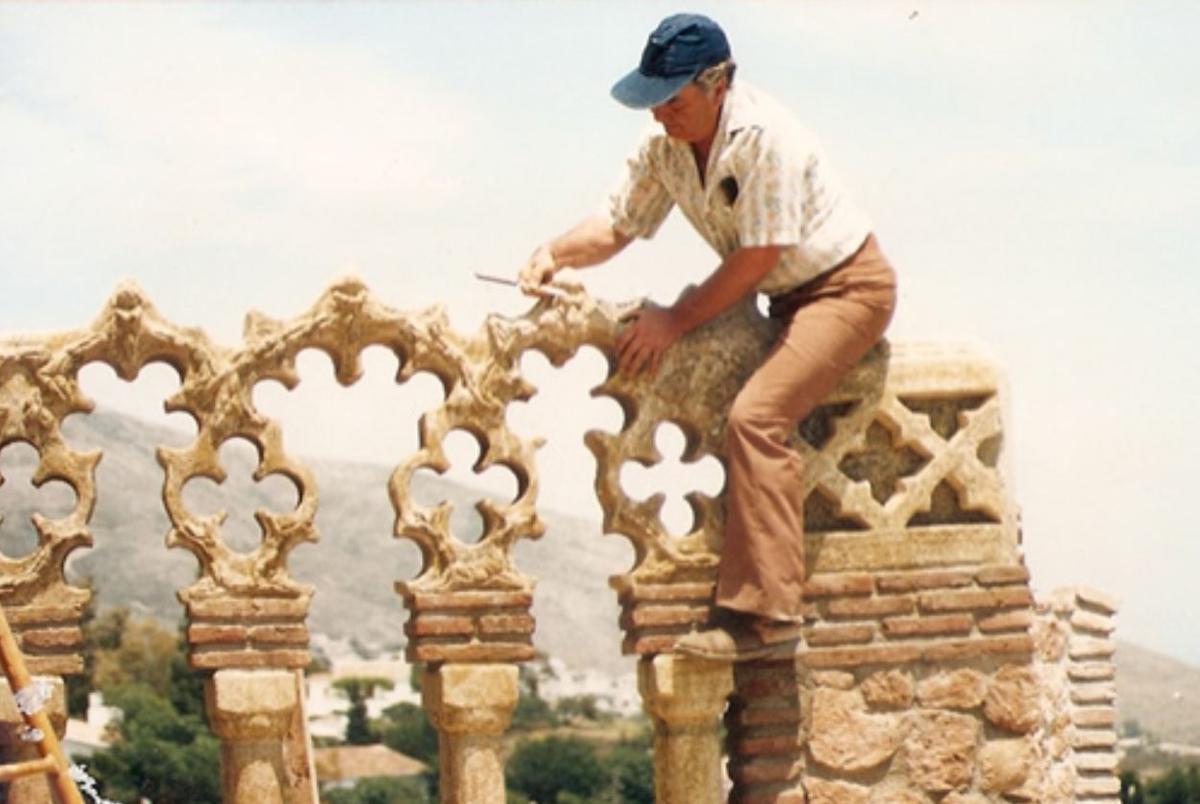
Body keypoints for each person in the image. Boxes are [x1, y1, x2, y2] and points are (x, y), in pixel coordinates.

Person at [519, 13, 896, 661]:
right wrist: (553, 254)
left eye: (673, 98)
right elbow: (617, 225)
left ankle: (769, 618)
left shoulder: (766, 138)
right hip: (784, 295)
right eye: (654, 99)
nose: (661, 113)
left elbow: (757, 256)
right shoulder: (663, 145)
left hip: (845, 291)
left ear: (716, 83)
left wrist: (674, 319)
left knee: (755, 419)